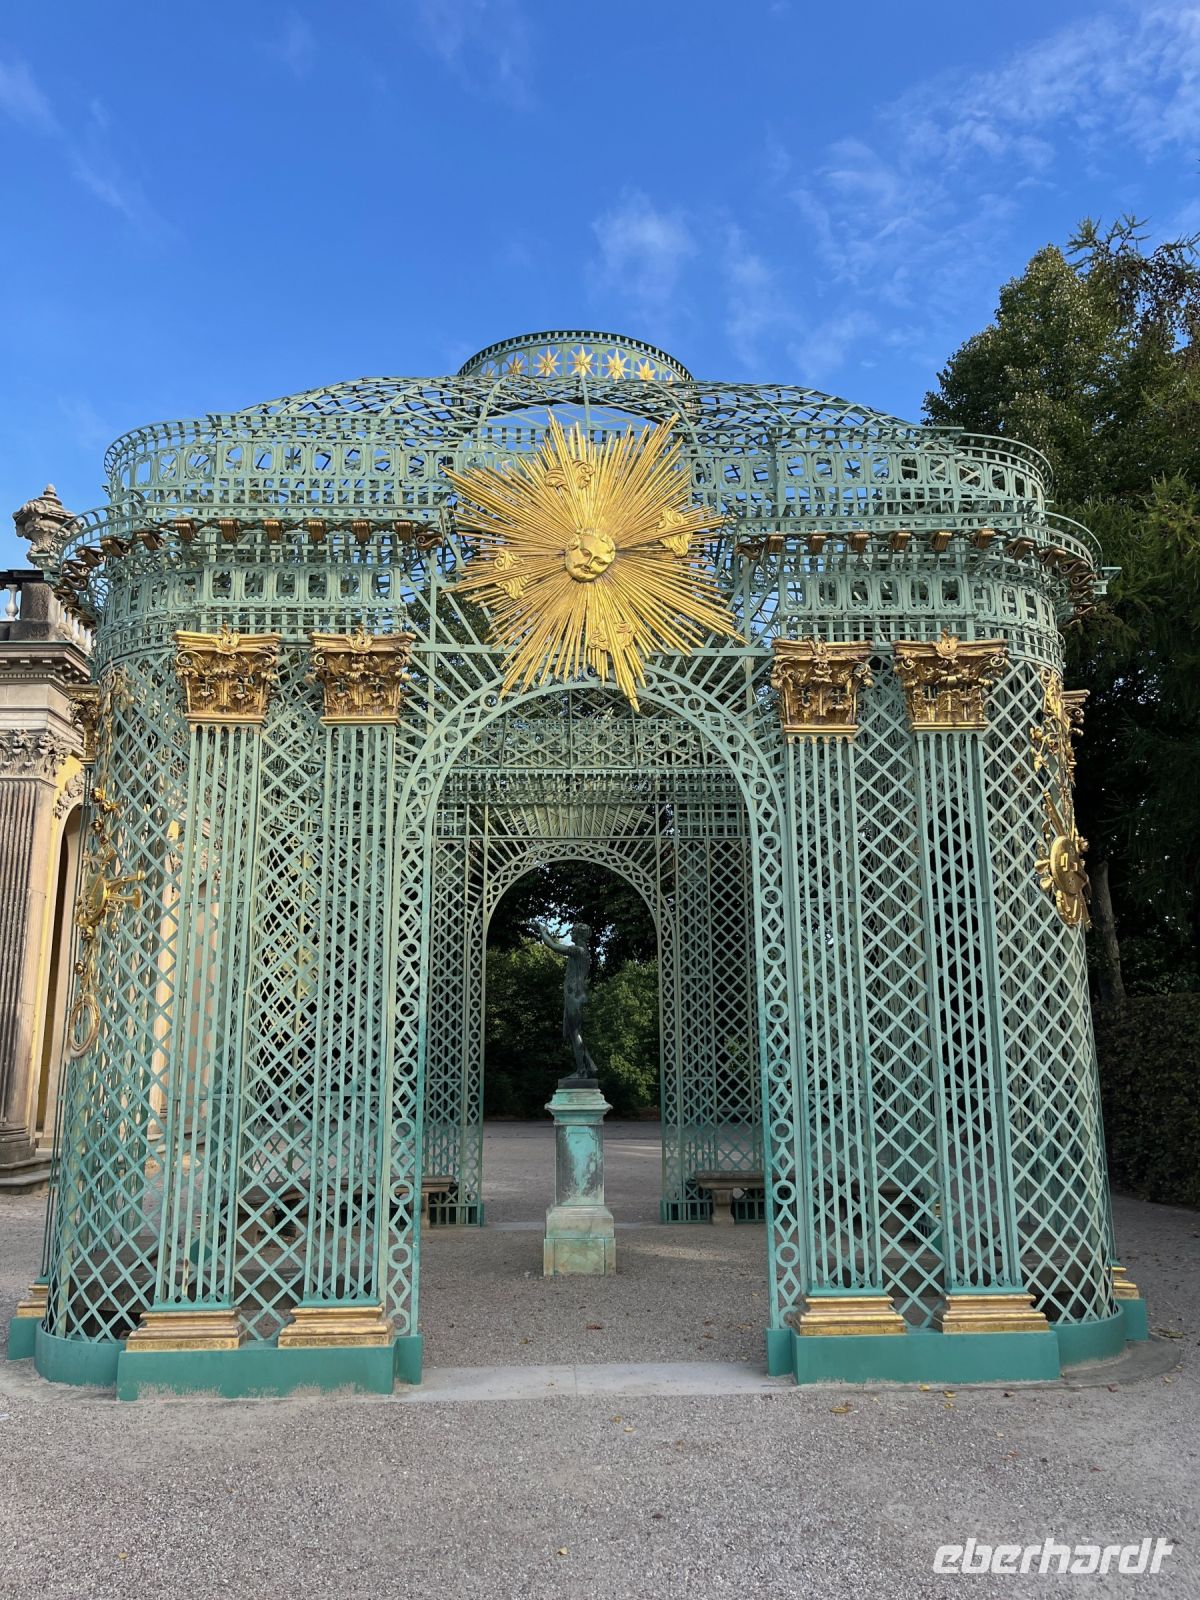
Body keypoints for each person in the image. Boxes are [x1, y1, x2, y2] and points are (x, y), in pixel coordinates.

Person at [527, 920, 599, 1086]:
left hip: (574, 995)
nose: (571, 933)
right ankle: (589, 1066)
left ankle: (582, 1071)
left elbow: (553, 946)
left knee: (575, 1034)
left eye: (573, 931)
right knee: (574, 1033)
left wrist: (542, 931)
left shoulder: (578, 950)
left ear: (580, 934)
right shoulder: (583, 952)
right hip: (575, 995)